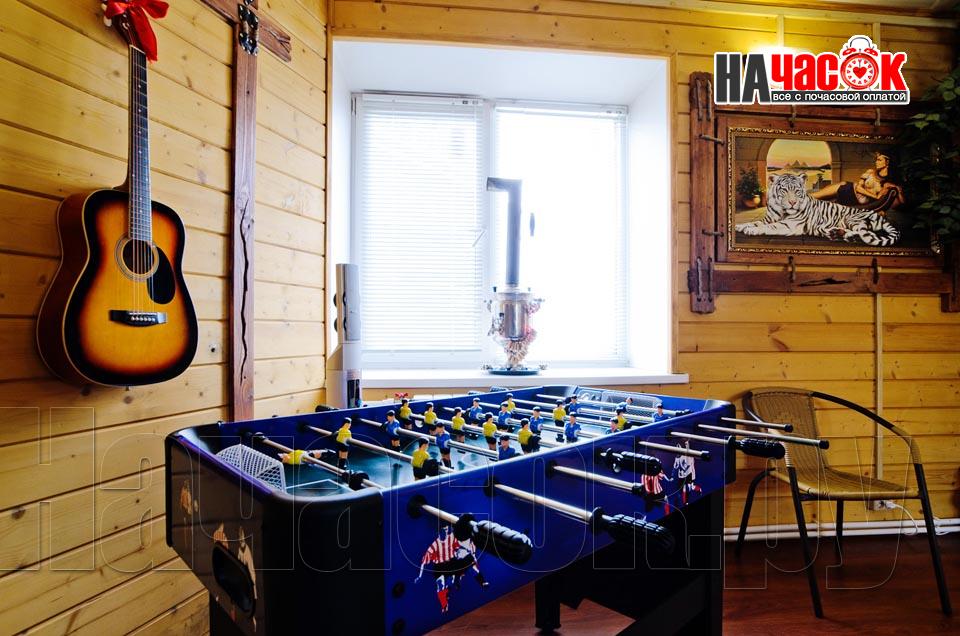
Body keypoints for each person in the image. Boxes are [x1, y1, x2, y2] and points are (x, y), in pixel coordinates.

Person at [811, 152, 904, 210]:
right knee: (822, 195)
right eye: (876, 160)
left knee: (838, 188)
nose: (876, 162)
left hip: (857, 198)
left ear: (887, 162)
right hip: (853, 192)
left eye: (879, 160)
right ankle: (808, 200)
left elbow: (900, 203)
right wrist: (875, 196)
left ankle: (808, 198)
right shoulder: (870, 172)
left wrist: (898, 191)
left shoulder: (889, 183)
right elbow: (859, 188)